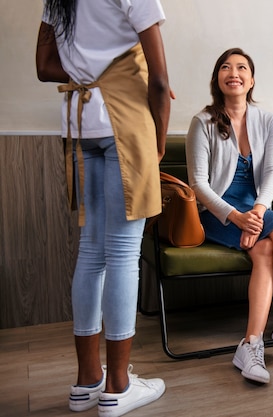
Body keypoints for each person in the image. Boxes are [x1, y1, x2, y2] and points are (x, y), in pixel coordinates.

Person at [36, 1, 171, 415]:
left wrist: (88, 73)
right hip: (126, 124)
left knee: (92, 250)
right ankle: (118, 384)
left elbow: (44, 65)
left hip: (80, 125)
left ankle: (87, 380)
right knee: (124, 254)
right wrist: (159, 144)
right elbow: (161, 82)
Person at [185, 48, 273, 384]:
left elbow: (270, 174)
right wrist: (237, 218)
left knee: (270, 241)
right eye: (225, 67)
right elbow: (198, 185)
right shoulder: (203, 122)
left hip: (255, 208)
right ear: (217, 78)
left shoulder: (268, 121)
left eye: (241, 68)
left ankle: (252, 343)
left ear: (251, 80)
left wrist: (256, 213)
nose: (233, 72)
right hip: (216, 212)